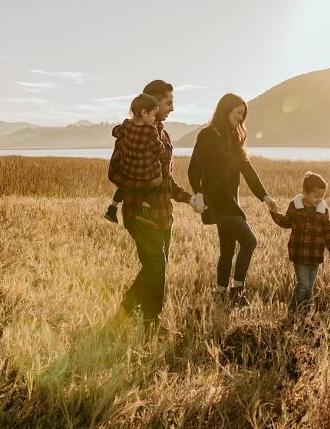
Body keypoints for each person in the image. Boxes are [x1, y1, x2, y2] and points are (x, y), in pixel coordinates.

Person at [108, 80, 205, 335]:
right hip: (140, 212)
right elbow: (114, 173)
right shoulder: (130, 135)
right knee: (156, 268)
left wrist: (188, 199)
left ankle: (124, 313)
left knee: (154, 268)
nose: (172, 108)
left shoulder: (163, 135)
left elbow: (166, 180)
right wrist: (143, 185)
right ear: (151, 102)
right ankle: (152, 325)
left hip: (163, 214)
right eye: (168, 103)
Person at [188, 93, 278, 308]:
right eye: (238, 112)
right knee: (250, 242)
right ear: (226, 110)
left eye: (243, 114)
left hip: (231, 200)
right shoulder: (208, 135)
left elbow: (248, 170)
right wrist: (198, 193)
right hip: (216, 202)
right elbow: (194, 168)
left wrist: (265, 197)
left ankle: (220, 293)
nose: (241, 118)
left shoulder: (234, 138)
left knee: (227, 250)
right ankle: (237, 292)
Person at [269, 172, 330, 318]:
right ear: (305, 193)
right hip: (299, 253)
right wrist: (274, 213)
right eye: (316, 196)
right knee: (303, 285)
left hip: (315, 254)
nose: (320, 199)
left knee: (310, 288)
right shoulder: (295, 206)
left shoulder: (323, 210)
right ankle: (292, 311)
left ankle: (306, 314)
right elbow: (286, 222)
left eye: (322, 196)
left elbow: (327, 231)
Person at [105, 93, 163, 227]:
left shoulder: (126, 125)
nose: (155, 118)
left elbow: (115, 132)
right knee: (154, 186)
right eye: (154, 114)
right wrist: (161, 146)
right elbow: (158, 149)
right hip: (144, 173)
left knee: (123, 187)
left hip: (128, 170)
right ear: (144, 112)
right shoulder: (150, 131)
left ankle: (112, 209)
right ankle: (144, 211)